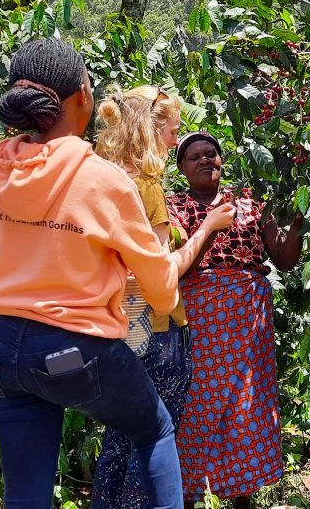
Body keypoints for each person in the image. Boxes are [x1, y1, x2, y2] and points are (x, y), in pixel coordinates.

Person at [0, 38, 234, 509]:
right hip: (72, 350)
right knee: (153, 429)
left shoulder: (0, 165)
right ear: (82, 98)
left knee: (26, 494)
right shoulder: (102, 179)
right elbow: (159, 287)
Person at [92, 85, 231, 509]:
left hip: (114, 325)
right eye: (172, 131)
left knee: (118, 435)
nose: (176, 140)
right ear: (149, 131)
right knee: (151, 435)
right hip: (154, 327)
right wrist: (208, 227)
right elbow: (162, 272)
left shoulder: (103, 179)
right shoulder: (148, 188)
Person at [167, 132, 303, 509]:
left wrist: (298, 223)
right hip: (202, 321)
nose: (205, 160)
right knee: (196, 407)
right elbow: (177, 266)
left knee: (245, 407)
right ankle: (186, 497)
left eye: (211, 154)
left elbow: (285, 259)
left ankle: (241, 499)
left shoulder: (250, 205)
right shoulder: (173, 208)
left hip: (248, 324)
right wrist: (210, 225)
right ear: (182, 168)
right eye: (195, 157)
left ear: (222, 161)